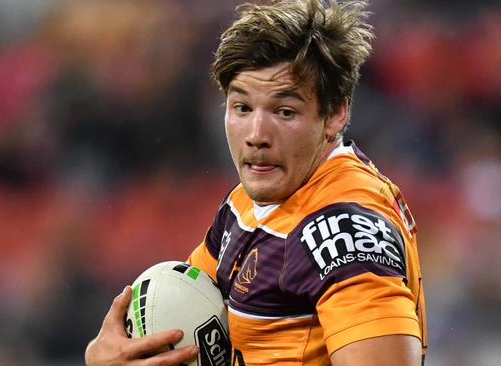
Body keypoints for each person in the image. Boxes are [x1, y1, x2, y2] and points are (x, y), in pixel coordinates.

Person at [85, 0, 427, 365]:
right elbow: (190, 309)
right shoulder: (247, 203)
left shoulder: (342, 233)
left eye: (285, 111)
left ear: (335, 113)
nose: (256, 135)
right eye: (242, 108)